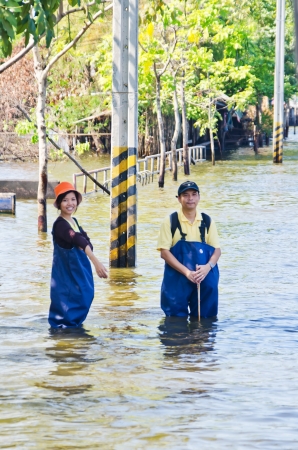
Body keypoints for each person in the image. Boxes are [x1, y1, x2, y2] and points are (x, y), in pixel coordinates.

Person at [157, 181, 221, 318]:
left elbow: (217, 250)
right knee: (175, 323)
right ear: (179, 199)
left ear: (199, 197)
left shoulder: (207, 221)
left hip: (204, 276)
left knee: (205, 323)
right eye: (185, 195)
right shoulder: (170, 221)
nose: (190, 198)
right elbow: (164, 252)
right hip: (177, 278)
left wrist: (207, 267)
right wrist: (187, 272)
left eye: (193, 194)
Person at [49, 181, 108, 328]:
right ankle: (63, 337)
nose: (70, 203)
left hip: (78, 273)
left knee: (85, 296)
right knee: (67, 307)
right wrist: (95, 261)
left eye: (73, 199)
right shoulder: (60, 224)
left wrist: (85, 246)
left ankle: (73, 336)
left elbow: (85, 240)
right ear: (58, 204)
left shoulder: (73, 221)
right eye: (65, 200)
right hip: (66, 276)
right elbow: (75, 238)